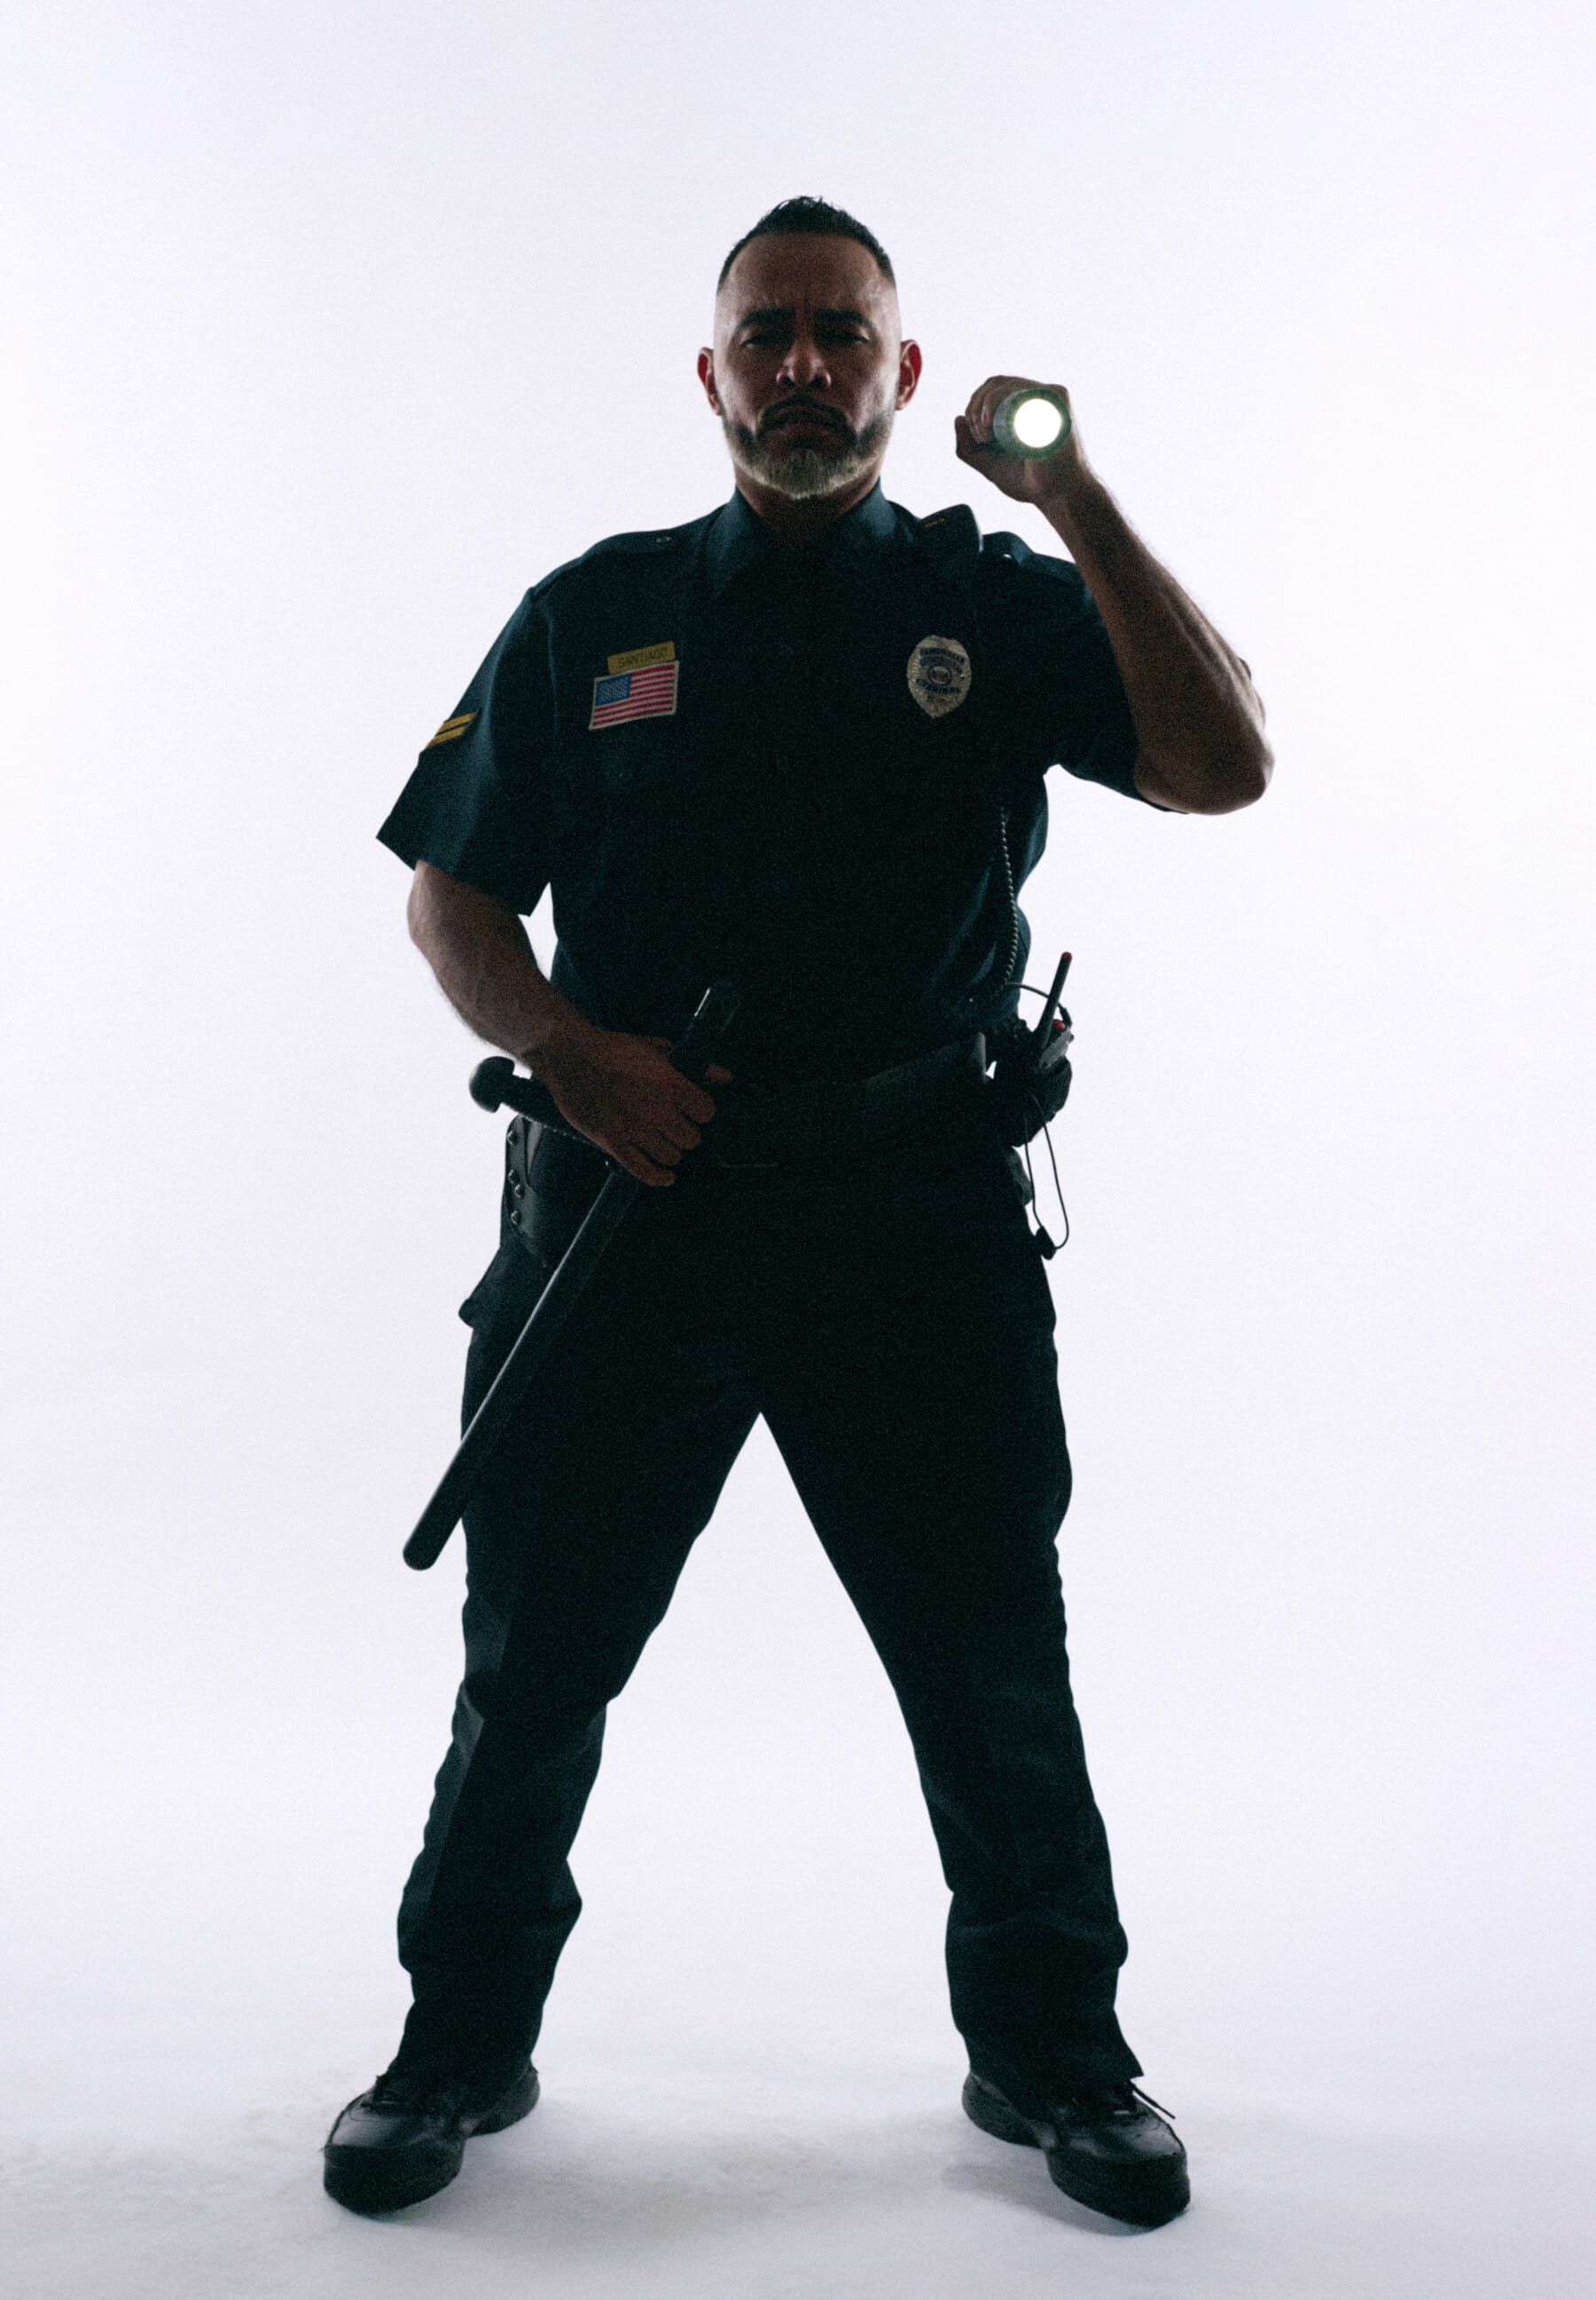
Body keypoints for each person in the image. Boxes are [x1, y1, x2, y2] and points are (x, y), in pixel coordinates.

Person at [323, 196, 1271, 2229]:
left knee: (991, 1660)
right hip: (631, 1215)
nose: (808, 365)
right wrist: (577, 1053)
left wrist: (1077, 494)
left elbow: (1224, 762)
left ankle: (1052, 2055)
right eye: (771, 333)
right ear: (715, 372)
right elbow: (452, 896)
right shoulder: (600, 612)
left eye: (846, 332)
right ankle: (458, 2038)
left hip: (911, 1215)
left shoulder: (995, 602)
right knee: (537, 1652)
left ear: (904, 374)